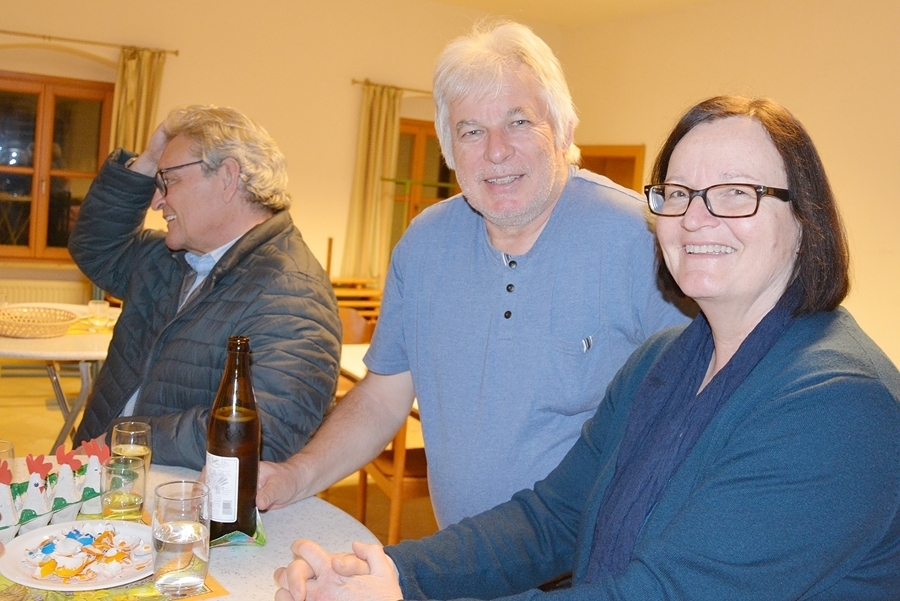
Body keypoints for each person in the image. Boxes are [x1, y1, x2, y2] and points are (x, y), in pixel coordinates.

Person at [273, 95, 900, 600]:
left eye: (737, 192)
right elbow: (553, 517)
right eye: (678, 193)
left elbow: (663, 594)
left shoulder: (838, 406)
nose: (695, 217)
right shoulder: (663, 361)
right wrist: (394, 572)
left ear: (805, 220)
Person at [256, 21, 688, 527]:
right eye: (471, 131)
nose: (496, 151)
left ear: (564, 129)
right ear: (449, 149)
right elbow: (381, 398)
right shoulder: (424, 244)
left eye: (518, 122)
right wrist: (295, 475)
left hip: (593, 557)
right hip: (460, 553)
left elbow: (698, 411)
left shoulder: (642, 239)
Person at [70, 105, 341, 471]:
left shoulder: (292, 293)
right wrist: (148, 160)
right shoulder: (171, 258)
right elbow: (95, 247)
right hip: (110, 477)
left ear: (227, 177)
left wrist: (128, 439)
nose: (157, 201)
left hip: (177, 498)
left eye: (169, 181)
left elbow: (264, 432)